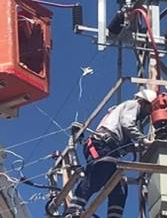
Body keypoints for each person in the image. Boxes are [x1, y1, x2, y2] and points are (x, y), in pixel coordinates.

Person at [64, 89, 157, 218]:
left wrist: (140, 147)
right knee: (97, 175)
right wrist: (144, 140)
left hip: (108, 147)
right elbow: (127, 124)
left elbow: (125, 142)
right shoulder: (133, 104)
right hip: (101, 144)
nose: (148, 113)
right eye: (149, 109)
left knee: (119, 187)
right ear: (144, 102)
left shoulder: (120, 114)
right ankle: (73, 211)